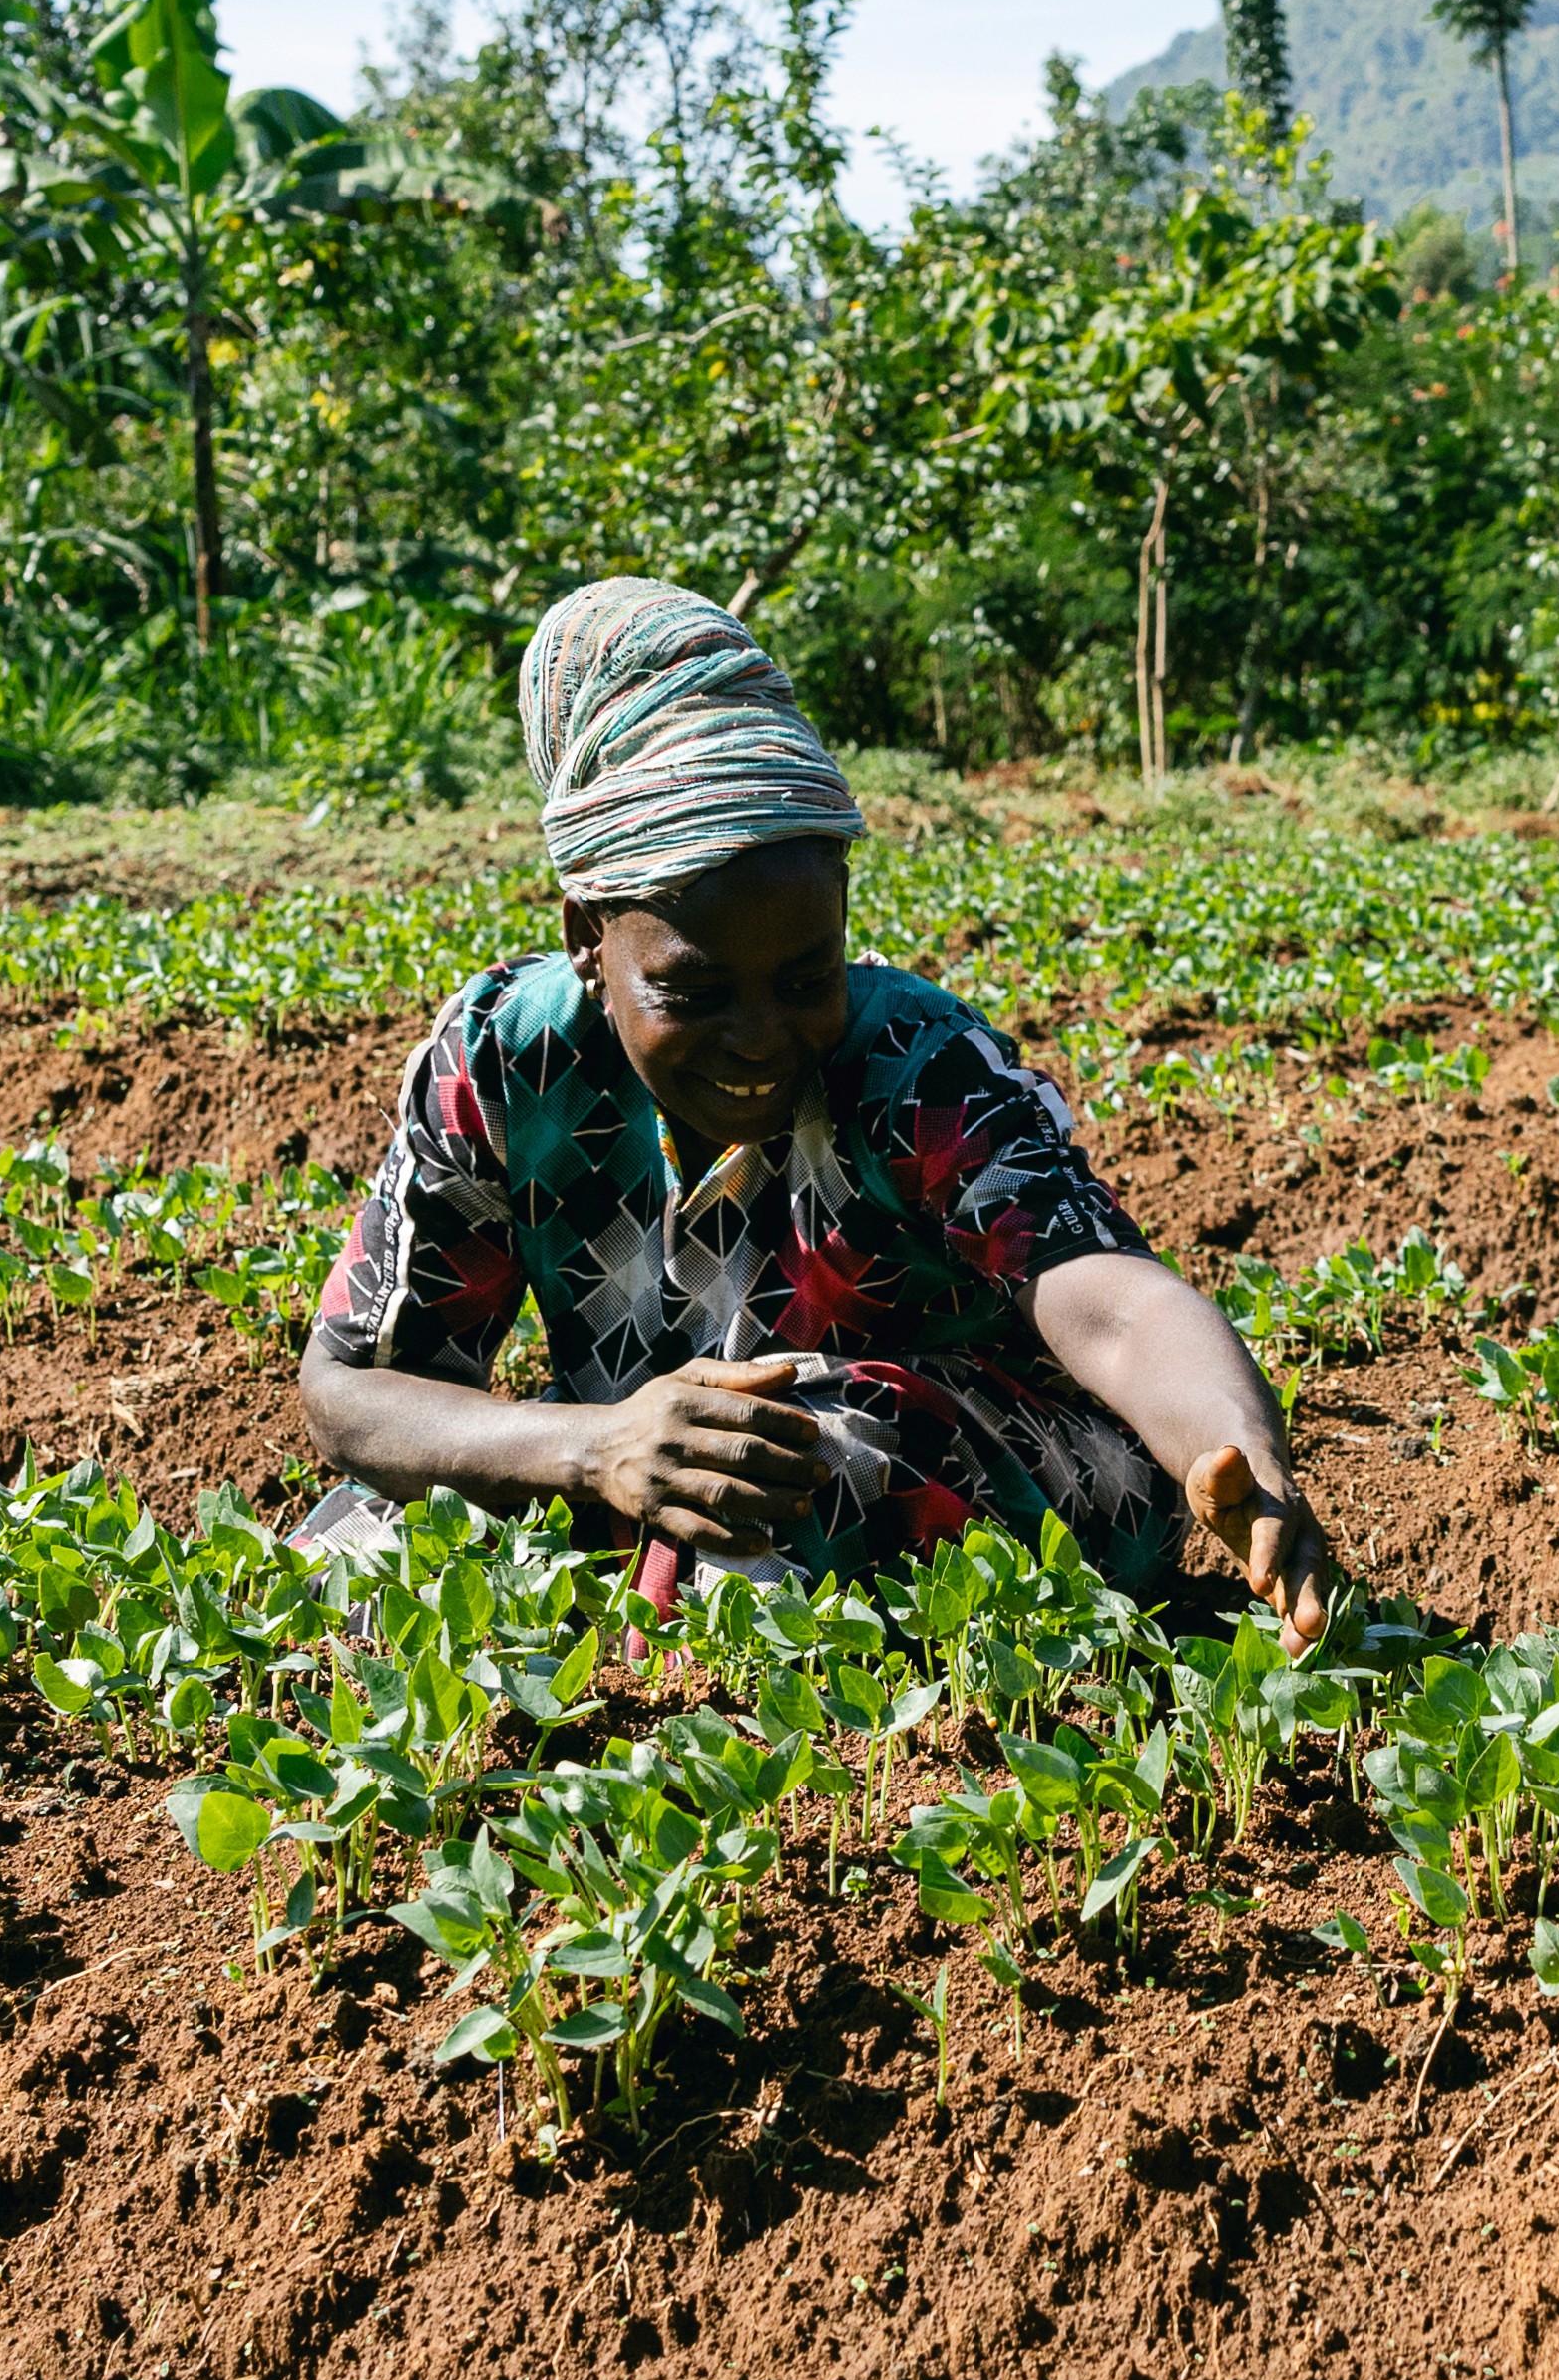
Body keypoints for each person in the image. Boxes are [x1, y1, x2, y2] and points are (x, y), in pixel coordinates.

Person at [297, 577, 1338, 1629]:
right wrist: (595, 1448)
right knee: (358, 1538)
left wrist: (1245, 1463)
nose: (759, 1038)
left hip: (1016, 1476)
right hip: (668, 1468)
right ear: (585, 936)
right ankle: (648, 1597)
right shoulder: (503, 1062)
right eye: (694, 993)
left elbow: (1113, 1305)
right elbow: (354, 1394)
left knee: (800, 1446)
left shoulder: (919, 1063)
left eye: (805, 980)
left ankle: (671, 1639)